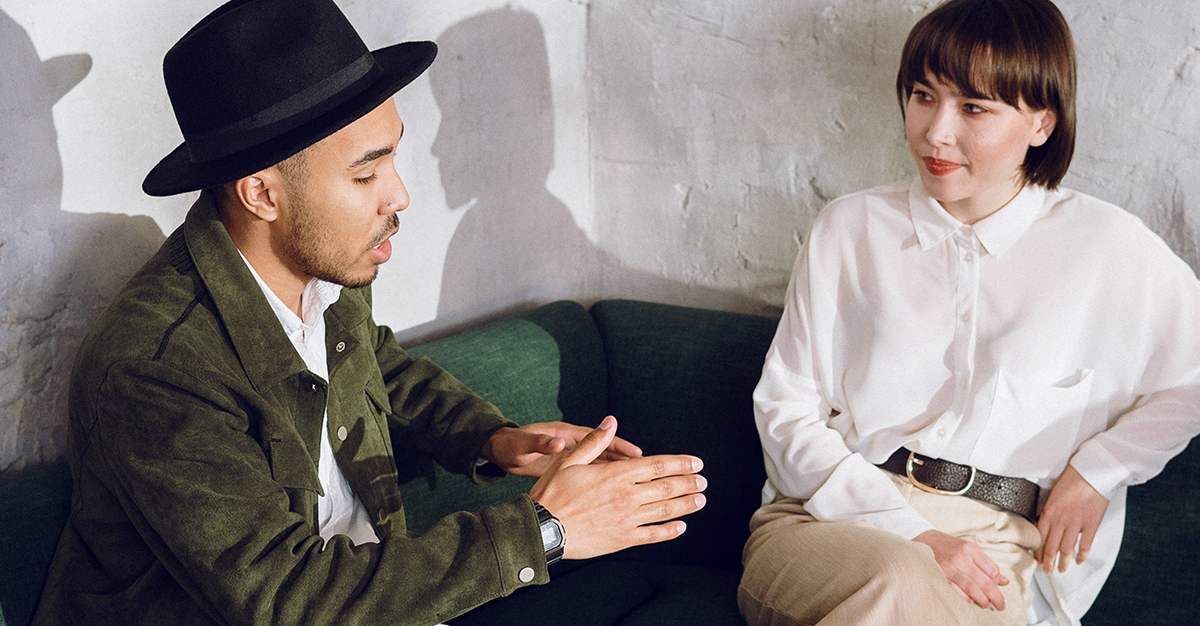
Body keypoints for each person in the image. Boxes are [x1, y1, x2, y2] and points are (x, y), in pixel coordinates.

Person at [31, 1, 707, 624]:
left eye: (393, 157)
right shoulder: (156, 369)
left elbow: (374, 364)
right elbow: (282, 598)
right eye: (365, 174)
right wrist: (545, 532)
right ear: (262, 193)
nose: (401, 193)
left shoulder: (329, 268)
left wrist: (495, 440)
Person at [738, 1, 1200, 625]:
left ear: (1042, 123)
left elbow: (1192, 378)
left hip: (996, 547)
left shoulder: (1110, 248)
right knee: (899, 579)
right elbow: (786, 409)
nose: (935, 132)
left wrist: (1099, 470)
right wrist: (914, 534)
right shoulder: (850, 229)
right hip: (827, 519)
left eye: (974, 108)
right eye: (923, 96)